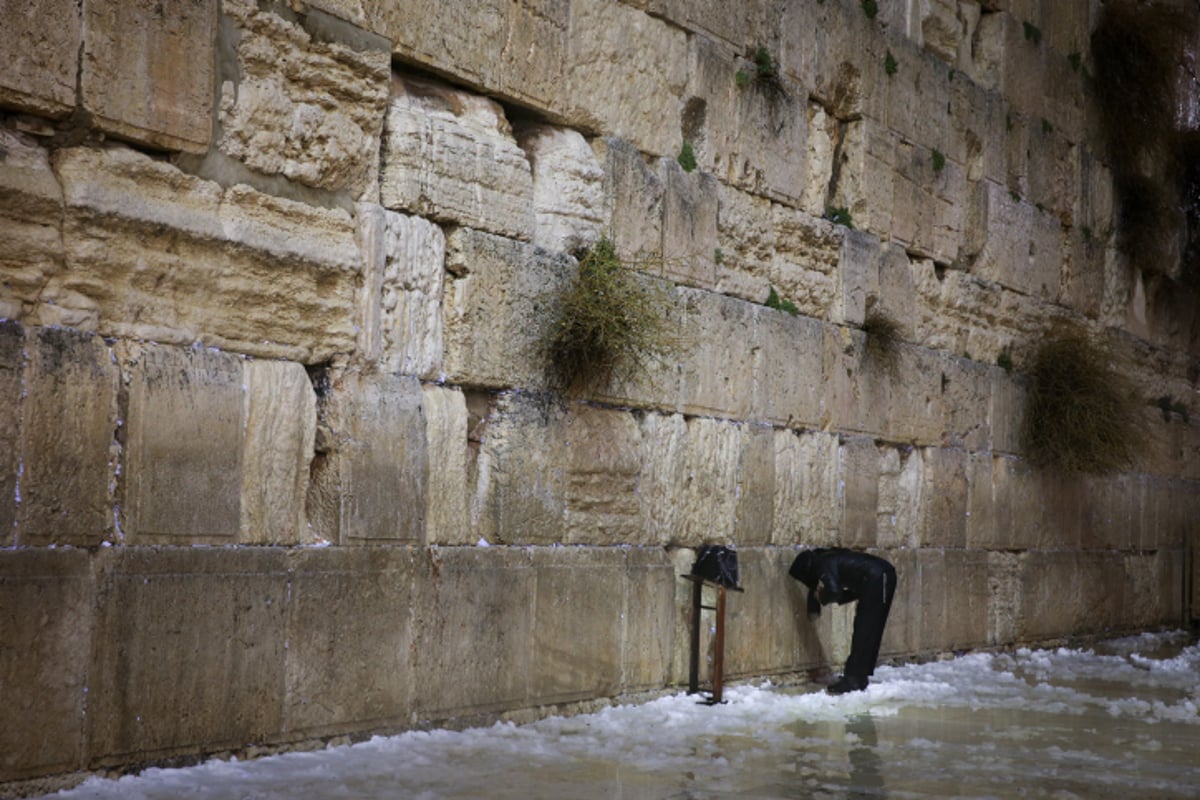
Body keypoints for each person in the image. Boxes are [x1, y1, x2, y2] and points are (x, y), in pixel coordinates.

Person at [789, 547, 897, 695]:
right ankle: (859, 677)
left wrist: (820, 597)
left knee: (865, 630)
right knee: (870, 630)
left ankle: (853, 680)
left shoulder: (823, 564)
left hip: (877, 579)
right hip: (882, 575)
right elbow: (848, 590)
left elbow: (833, 591)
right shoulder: (829, 558)